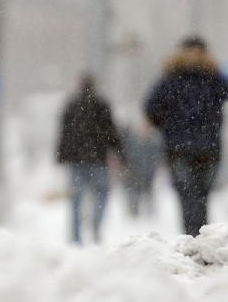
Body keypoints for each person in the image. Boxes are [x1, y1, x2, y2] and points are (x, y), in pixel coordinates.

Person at [144, 35, 228, 236]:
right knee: (202, 196)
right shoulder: (212, 78)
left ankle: (191, 238)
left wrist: (164, 125)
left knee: (187, 196)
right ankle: (201, 238)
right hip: (209, 147)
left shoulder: (170, 79)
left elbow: (151, 108)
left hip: (179, 147)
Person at [56, 73, 125, 244]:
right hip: (98, 159)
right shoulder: (102, 104)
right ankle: (96, 222)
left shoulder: (71, 105)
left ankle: (76, 236)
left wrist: (61, 156)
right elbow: (111, 131)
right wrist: (120, 153)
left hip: (76, 160)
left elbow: (64, 133)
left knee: (76, 199)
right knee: (102, 193)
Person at [118, 121, 163, 217]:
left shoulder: (153, 143)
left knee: (149, 191)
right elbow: (127, 155)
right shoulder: (132, 142)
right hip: (135, 172)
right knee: (133, 192)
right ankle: (133, 212)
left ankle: (150, 212)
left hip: (149, 172)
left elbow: (157, 156)